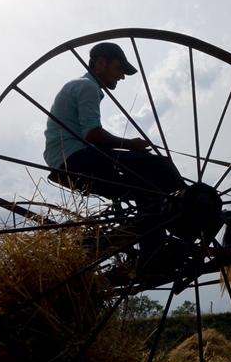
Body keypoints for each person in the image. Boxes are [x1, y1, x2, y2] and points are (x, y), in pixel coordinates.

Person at [43, 42, 184, 247]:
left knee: (143, 185)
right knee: (158, 165)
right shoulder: (87, 86)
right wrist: (130, 144)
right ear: (100, 63)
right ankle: (189, 207)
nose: (121, 76)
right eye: (119, 69)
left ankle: (154, 245)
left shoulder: (80, 85)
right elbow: (92, 135)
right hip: (76, 158)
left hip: (65, 160)